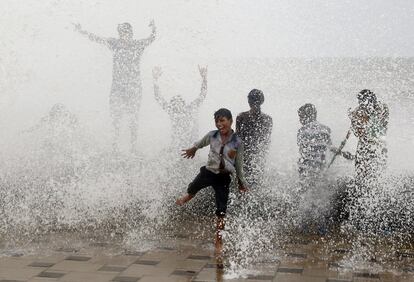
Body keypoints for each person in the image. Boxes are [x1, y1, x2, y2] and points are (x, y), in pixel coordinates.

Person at [74, 21, 156, 153]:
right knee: (116, 117)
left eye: (126, 32)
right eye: (122, 32)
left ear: (131, 33)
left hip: (134, 87)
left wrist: (153, 28)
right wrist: (81, 31)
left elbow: (151, 39)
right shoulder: (115, 43)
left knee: (133, 118)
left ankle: (133, 147)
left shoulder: (137, 45)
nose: (124, 35)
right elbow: (97, 38)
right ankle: (114, 146)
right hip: (117, 87)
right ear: (119, 34)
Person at [176, 108, 248, 236]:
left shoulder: (237, 142)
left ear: (230, 121)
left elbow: (239, 164)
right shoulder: (212, 135)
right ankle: (187, 196)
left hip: (223, 177)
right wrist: (193, 149)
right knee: (194, 186)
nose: (219, 124)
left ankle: (220, 231)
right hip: (208, 172)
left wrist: (241, 182)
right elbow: (200, 143)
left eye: (222, 120)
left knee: (222, 206)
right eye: (216, 121)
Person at [296, 103, 332, 234]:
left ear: (306, 117)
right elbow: (328, 147)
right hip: (320, 169)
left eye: (300, 117)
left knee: (305, 196)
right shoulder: (326, 129)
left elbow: (302, 149)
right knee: (320, 197)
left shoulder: (302, 131)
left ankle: (304, 227)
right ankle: (321, 228)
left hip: (305, 168)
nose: (300, 121)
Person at [152, 65, 207, 150]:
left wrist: (204, 79)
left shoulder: (188, 109)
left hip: (190, 143)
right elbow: (158, 98)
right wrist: (155, 80)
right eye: (174, 104)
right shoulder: (172, 111)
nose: (177, 107)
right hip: (176, 144)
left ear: (183, 104)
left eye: (178, 104)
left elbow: (202, 95)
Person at [348, 89, 389, 188]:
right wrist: (353, 119)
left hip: (368, 145)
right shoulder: (382, 108)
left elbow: (359, 133)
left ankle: (364, 188)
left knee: (365, 172)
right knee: (376, 171)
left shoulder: (360, 111)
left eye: (361, 101)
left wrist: (354, 118)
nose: (360, 104)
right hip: (376, 145)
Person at [236, 89, 272, 187]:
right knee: (256, 182)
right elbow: (266, 141)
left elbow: (237, 140)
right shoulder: (268, 119)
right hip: (258, 156)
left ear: (248, 101)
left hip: (245, 155)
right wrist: (263, 157)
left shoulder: (242, 117)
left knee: (243, 184)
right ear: (262, 101)